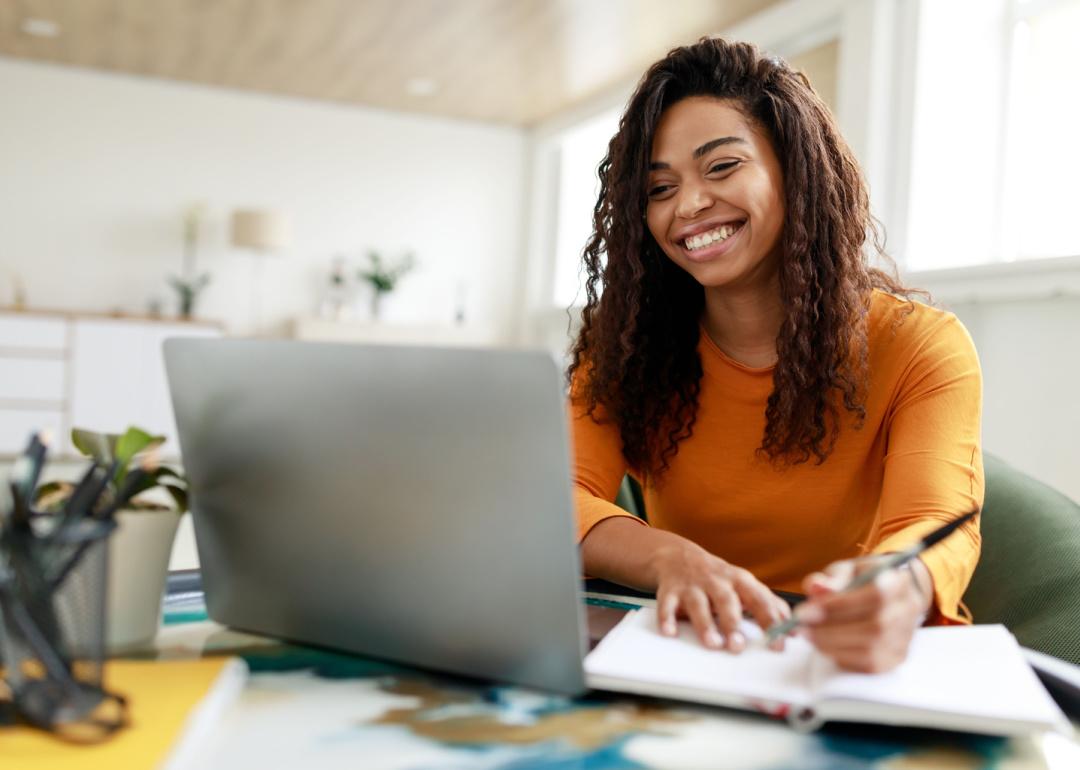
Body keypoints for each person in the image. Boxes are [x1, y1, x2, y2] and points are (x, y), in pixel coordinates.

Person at [568, 38, 982, 673]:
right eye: (659, 188)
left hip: (838, 664)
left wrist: (900, 588)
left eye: (722, 166)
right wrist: (670, 558)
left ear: (796, 168)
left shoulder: (921, 345)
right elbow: (559, 493)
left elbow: (934, 522)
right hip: (685, 652)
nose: (689, 205)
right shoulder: (625, 345)